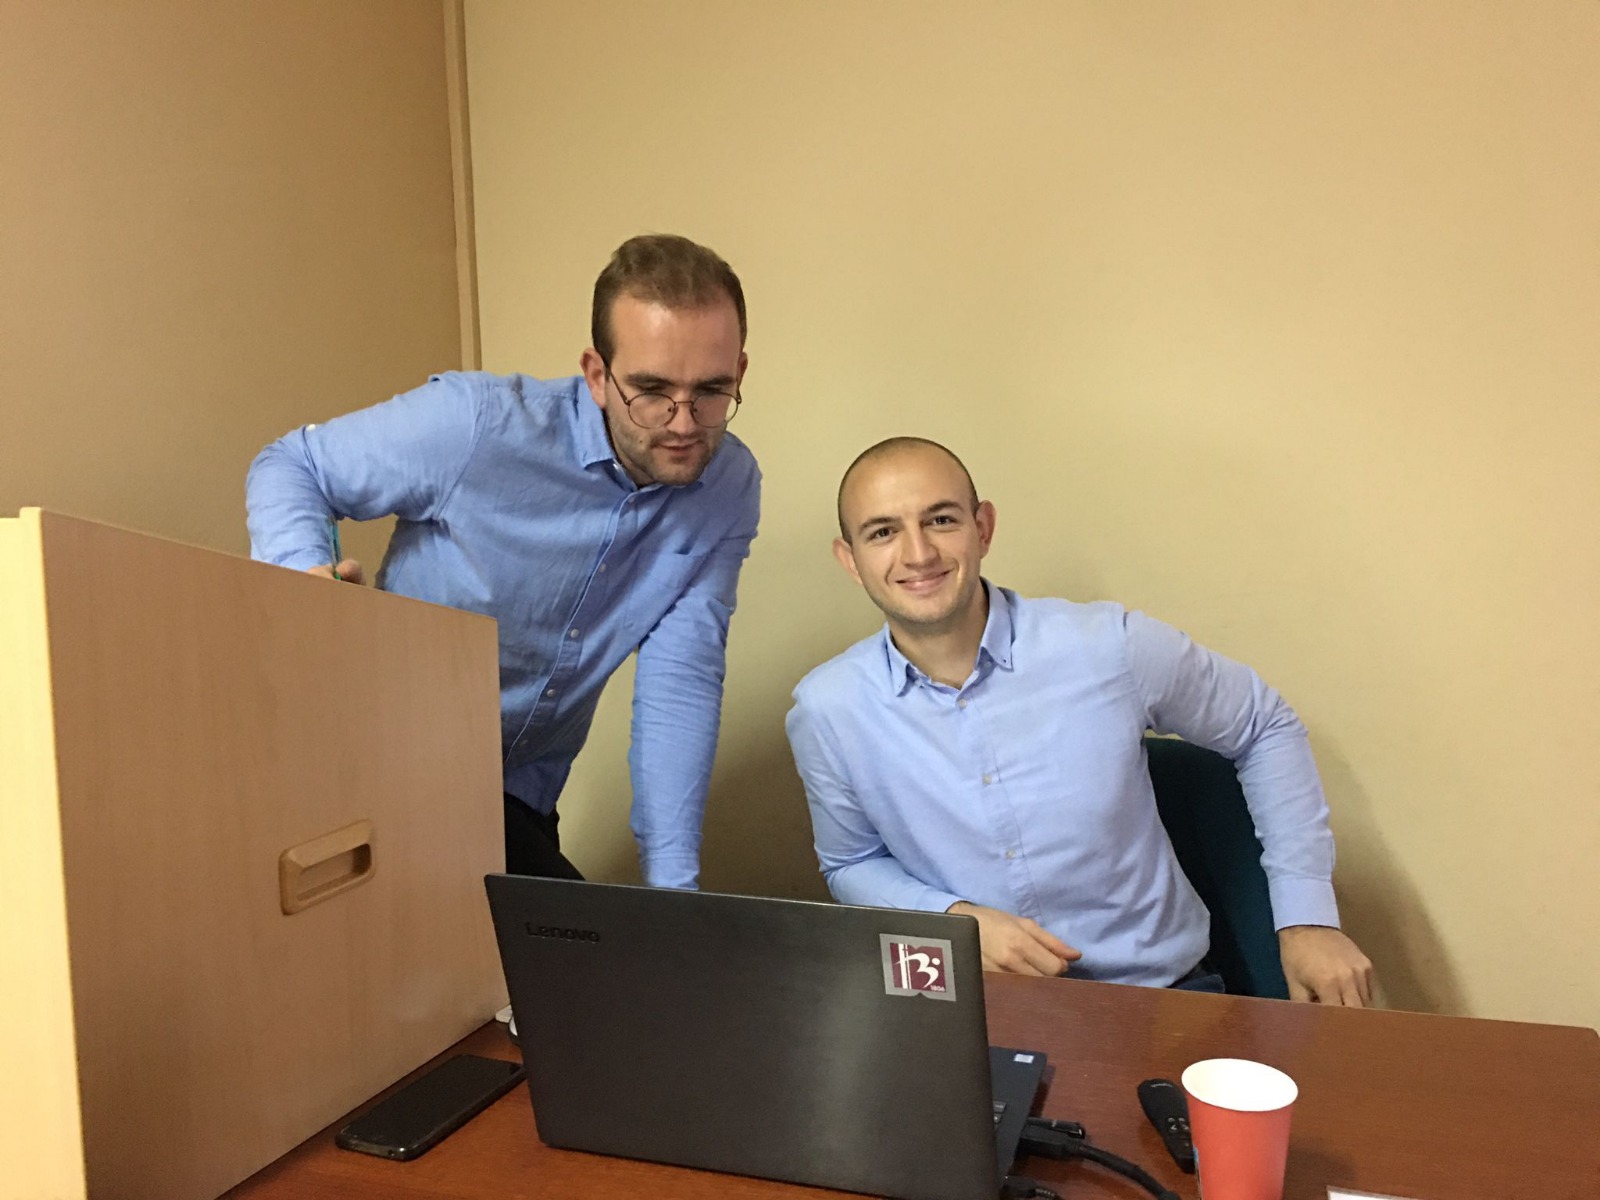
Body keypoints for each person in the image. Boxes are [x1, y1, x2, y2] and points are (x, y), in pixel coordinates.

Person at [248, 234, 760, 889]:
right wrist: (303, 586)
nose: (683, 424)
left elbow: (680, 682)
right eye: (652, 390)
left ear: (739, 373)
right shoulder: (476, 424)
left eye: (711, 391)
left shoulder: (727, 488)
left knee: (577, 946)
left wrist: (674, 891)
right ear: (597, 376)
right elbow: (293, 465)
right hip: (378, 766)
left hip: (517, 793)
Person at [784, 436, 1374, 1004]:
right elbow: (851, 863)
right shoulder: (828, 709)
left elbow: (1264, 725)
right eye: (883, 532)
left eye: (940, 520)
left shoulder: (1110, 646)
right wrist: (954, 921)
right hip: (967, 1004)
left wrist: (1308, 919)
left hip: (1157, 999)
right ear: (851, 560)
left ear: (983, 528)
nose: (918, 554)